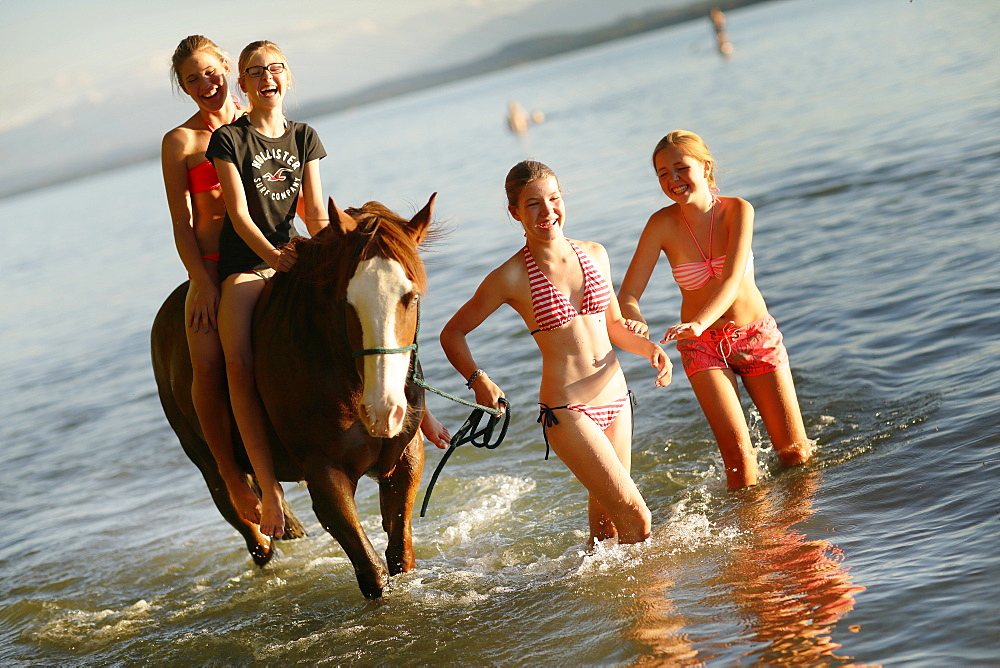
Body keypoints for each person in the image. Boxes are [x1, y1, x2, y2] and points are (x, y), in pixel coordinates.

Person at [440, 160, 672, 545]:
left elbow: (614, 327)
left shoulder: (596, 253)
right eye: (533, 204)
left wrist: (652, 350)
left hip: (617, 399)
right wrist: (478, 380)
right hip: (568, 410)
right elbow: (453, 333)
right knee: (638, 517)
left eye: (553, 199)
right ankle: (654, 606)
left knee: (607, 532)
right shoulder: (510, 276)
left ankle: (602, 602)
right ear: (515, 212)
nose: (547, 211)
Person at [618, 130, 813, 489]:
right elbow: (628, 293)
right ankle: (756, 540)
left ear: (706, 167)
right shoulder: (660, 224)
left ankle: (801, 526)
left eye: (681, 168)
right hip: (702, 346)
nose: (673, 180)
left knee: (794, 453)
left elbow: (733, 281)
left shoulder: (738, 210)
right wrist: (635, 317)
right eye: (663, 173)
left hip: (754, 336)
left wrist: (697, 321)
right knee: (739, 463)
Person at [161, 35, 262, 527]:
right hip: (211, 261)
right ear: (185, 89)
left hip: (263, 250)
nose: (205, 83)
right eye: (192, 79)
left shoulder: (257, 120)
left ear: (227, 66)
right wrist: (199, 280)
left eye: (209, 70)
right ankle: (230, 475)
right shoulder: (180, 142)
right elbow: (181, 223)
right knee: (206, 365)